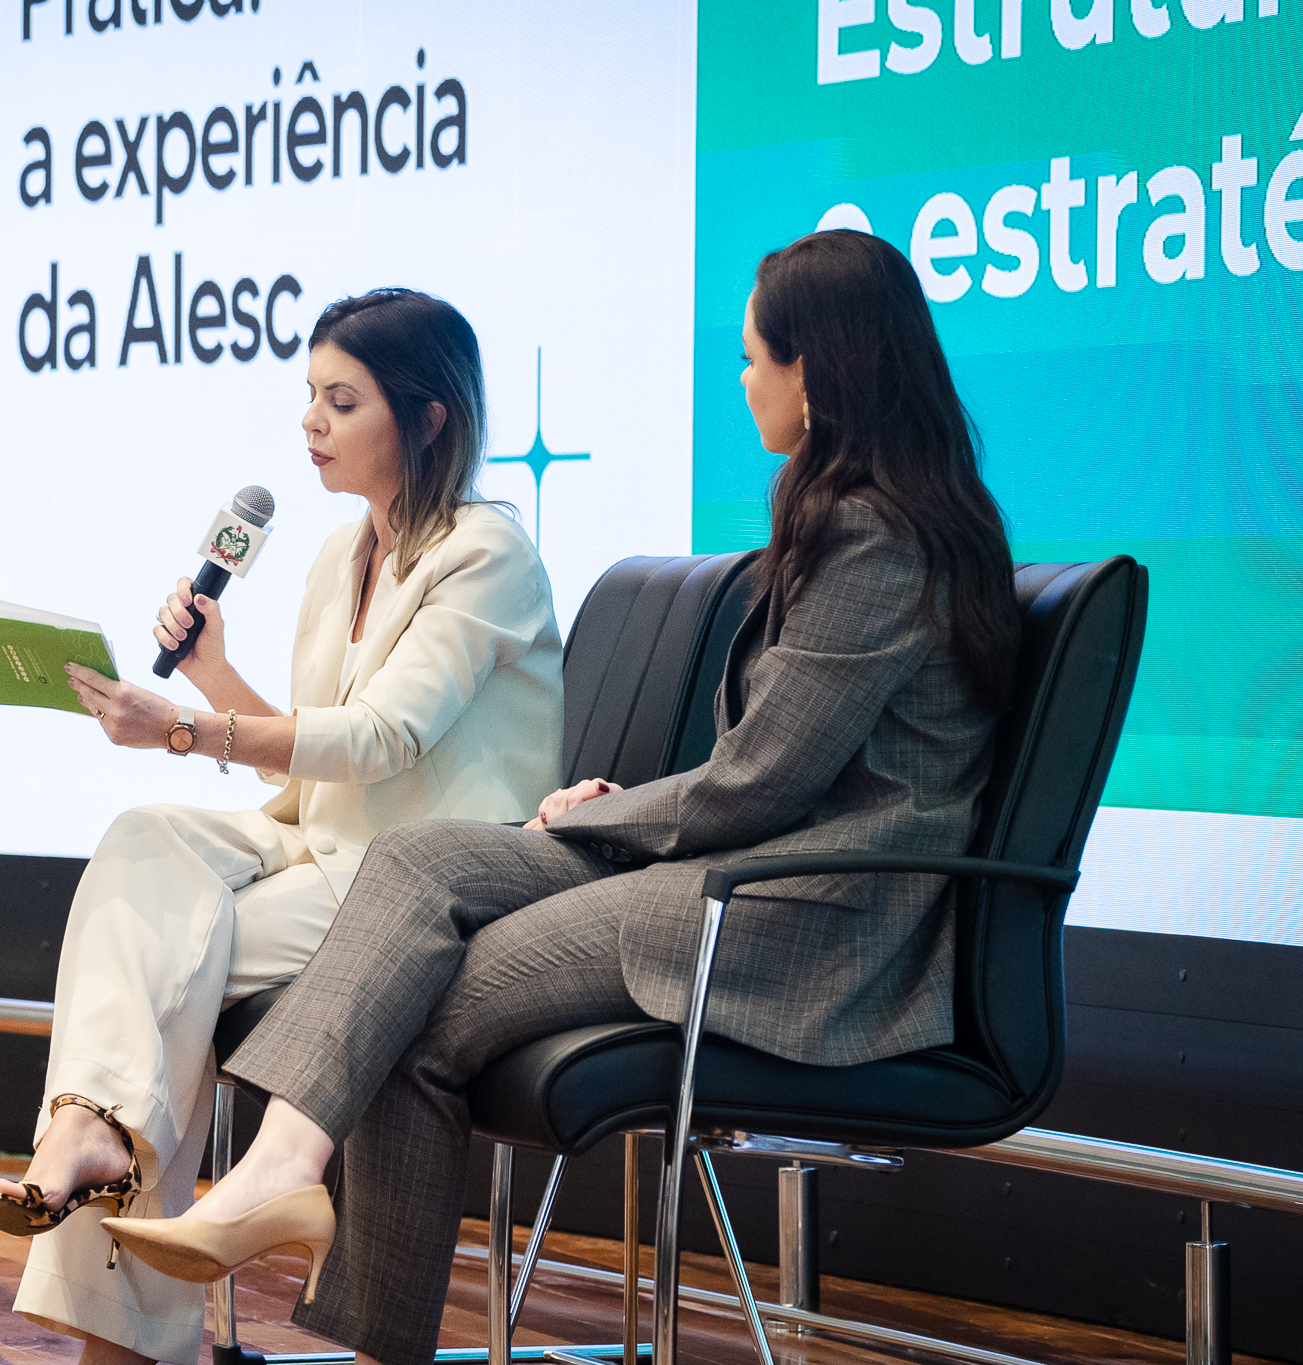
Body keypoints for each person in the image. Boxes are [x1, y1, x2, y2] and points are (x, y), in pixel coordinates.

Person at [102, 230, 1024, 1365]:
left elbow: (763, 783)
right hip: (738, 870)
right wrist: (615, 805)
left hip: (806, 917)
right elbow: (770, 766)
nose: (742, 381)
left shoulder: (876, 537)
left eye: (754, 360)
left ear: (816, 372)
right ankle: (283, 1171)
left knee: (413, 1002)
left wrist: (594, 817)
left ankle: (322, 1252)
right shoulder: (845, 514)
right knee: (418, 860)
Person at [0, 288, 566, 1365]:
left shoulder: (487, 554)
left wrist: (183, 727)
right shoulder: (339, 555)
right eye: (309, 397)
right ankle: (92, 1129)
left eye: (341, 401)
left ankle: (104, 1228)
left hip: (418, 875)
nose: (310, 423)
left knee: (163, 959)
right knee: (142, 840)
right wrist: (209, 676)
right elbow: (307, 752)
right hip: (318, 838)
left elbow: (381, 739)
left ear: (428, 417)